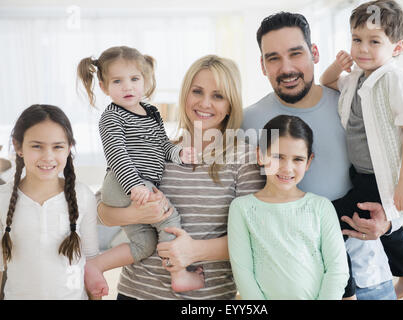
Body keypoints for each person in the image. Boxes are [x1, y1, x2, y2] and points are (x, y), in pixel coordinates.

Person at [242, 11, 403, 300]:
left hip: (368, 277)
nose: (287, 67)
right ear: (262, 66)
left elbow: (398, 171)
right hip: (290, 283)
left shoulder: (353, 104)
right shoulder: (248, 122)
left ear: (314, 53)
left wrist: (390, 222)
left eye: (296, 53)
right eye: (274, 58)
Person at [96, 54, 266, 300]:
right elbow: (101, 211)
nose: (205, 103)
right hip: (135, 292)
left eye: (218, 95)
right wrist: (135, 214)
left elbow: (255, 238)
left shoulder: (246, 158)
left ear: (231, 103)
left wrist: (196, 251)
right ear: (185, 94)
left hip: (204, 297)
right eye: (197, 91)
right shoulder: (158, 148)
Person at [319, 0, 403, 299]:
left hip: (383, 175)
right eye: (356, 39)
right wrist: (337, 66)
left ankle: (347, 292)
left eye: (374, 41)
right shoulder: (357, 79)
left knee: (340, 222)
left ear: (396, 48)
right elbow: (328, 82)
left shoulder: (394, 80)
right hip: (361, 173)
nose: (362, 49)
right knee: (384, 228)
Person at [77, 46, 201, 296]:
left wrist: (179, 154)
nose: (127, 87)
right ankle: (178, 274)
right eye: (117, 81)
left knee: (145, 243)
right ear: (103, 87)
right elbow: (117, 156)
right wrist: (134, 185)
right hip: (124, 182)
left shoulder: (152, 112)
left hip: (142, 183)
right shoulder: (111, 117)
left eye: (134, 79)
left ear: (145, 81)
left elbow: (163, 145)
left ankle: (95, 265)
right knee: (168, 217)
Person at [228, 115, 349, 299]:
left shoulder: (321, 207)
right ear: (260, 155)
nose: (287, 168)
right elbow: (243, 273)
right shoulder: (242, 209)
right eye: (278, 157)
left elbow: (338, 269)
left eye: (298, 159)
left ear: (309, 162)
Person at [0, 104, 99, 299]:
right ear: (18, 146)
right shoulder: (2, 197)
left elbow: (91, 261)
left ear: (69, 147)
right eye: (37, 146)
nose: (48, 156)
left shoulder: (82, 194)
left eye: (57, 147)